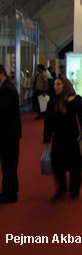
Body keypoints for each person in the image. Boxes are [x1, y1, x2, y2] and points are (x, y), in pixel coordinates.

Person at [43, 77, 82, 201]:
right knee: (58, 166)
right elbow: (48, 121)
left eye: (58, 84)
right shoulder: (53, 101)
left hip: (74, 139)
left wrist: (73, 102)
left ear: (65, 86)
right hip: (59, 139)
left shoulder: (75, 99)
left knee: (75, 167)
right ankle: (61, 190)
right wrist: (47, 138)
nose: (55, 87)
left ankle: (74, 191)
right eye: (54, 84)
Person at [0, 65, 22, 204]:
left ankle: (11, 194)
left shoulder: (7, 89)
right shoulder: (7, 87)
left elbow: (2, 110)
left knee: (9, 164)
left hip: (9, 134)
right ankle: (7, 192)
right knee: (7, 164)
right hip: (8, 133)